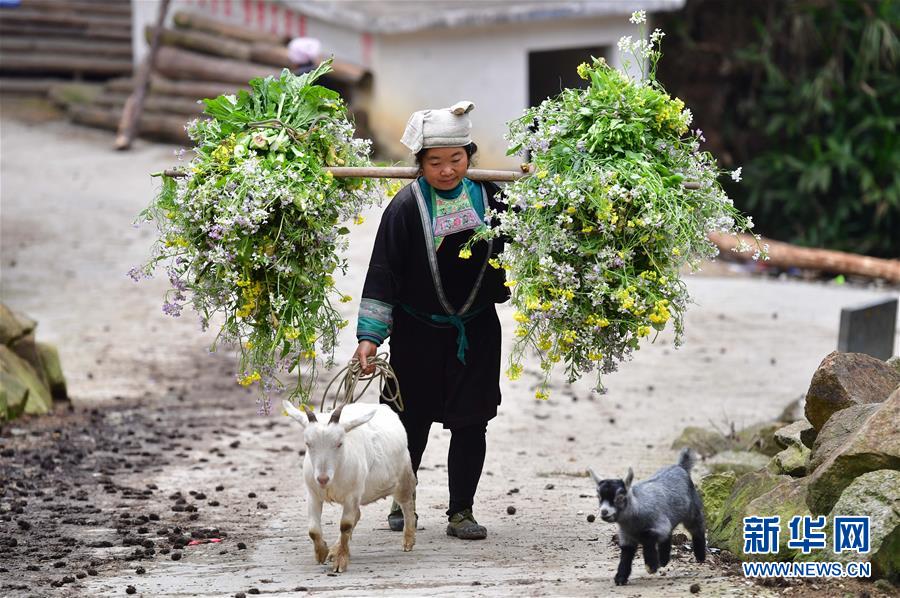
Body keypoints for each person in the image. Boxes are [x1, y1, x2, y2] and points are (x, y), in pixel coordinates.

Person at [352, 101, 509, 540]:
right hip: (416, 332)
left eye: (456, 159)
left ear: (469, 156)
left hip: (476, 330)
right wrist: (370, 336)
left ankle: (461, 511)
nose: (446, 170)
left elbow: (528, 239)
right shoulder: (406, 207)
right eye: (435, 162)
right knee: (409, 421)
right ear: (419, 163)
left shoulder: (492, 198)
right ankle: (404, 499)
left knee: (472, 421)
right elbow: (383, 272)